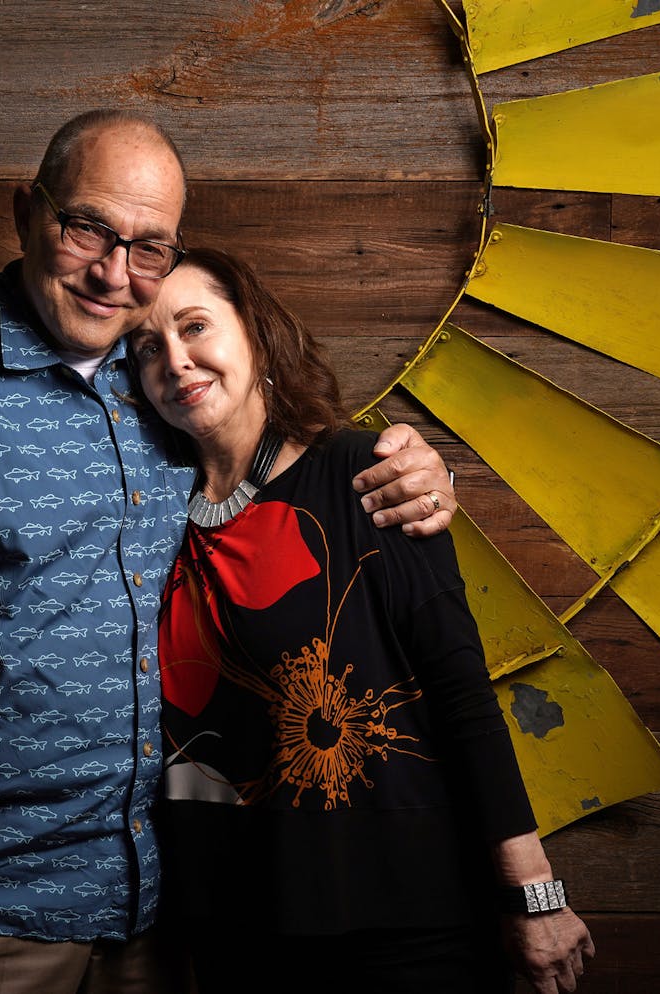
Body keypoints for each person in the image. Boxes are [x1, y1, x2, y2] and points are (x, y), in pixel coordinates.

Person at [0, 109, 458, 994]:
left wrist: (408, 469)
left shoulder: (158, 378)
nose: (114, 274)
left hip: (160, 902)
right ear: (27, 212)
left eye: (148, 248)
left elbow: (283, 458)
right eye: (86, 230)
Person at [127, 247, 594, 994]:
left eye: (194, 326)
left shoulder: (369, 476)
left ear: (254, 332)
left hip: (397, 924)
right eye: (148, 346)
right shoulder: (145, 514)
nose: (175, 360)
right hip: (228, 929)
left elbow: (461, 695)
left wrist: (533, 893)